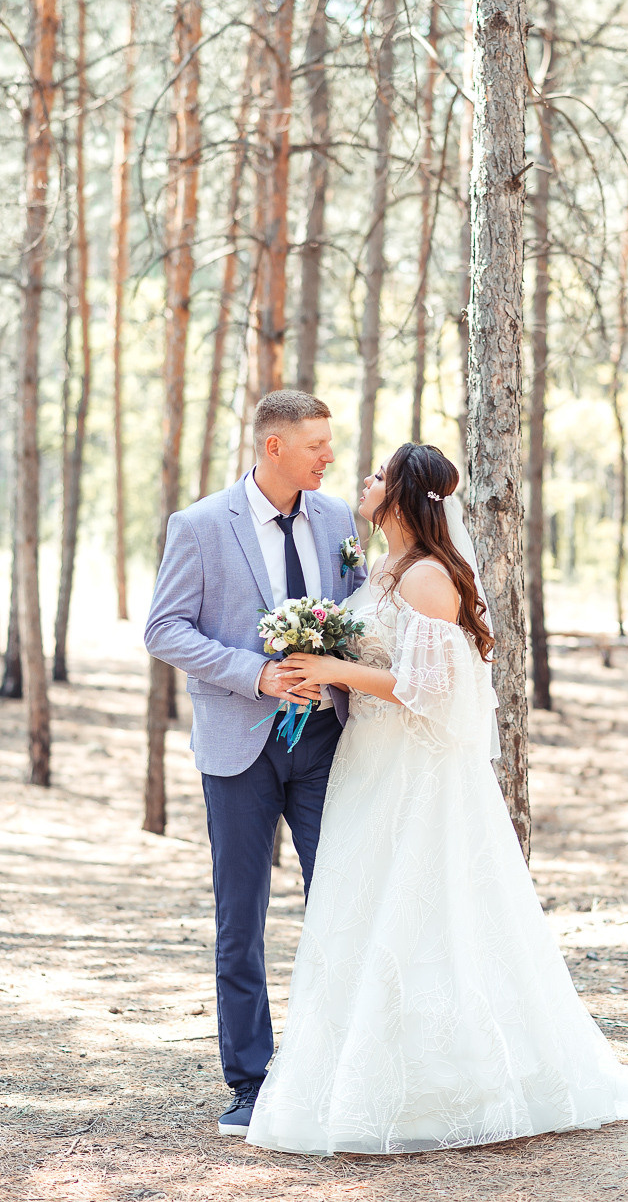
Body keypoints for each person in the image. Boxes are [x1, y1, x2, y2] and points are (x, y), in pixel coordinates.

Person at [246, 442, 628, 1156]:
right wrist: (324, 670)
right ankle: (355, 1073)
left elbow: (432, 691)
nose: (365, 479)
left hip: (414, 777)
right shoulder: (381, 567)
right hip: (371, 764)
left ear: (403, 496)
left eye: (379, 475)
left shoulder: (425, 578)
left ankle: (451, 1084)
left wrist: (334, 667)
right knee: (362, 908)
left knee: (421, 912)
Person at [144, 390, 367, 1136]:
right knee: (241, 920)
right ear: (274, 446)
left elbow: (359, 607)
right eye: (316, 445)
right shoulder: (201, 525)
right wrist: (255, 673)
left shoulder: (337, 519)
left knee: (339, 905)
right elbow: (164, 628)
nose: (328, 457)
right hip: (238, 746)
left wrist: (340, 663)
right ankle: (249, 1081)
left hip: (327, 742)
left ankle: (335, 1068)